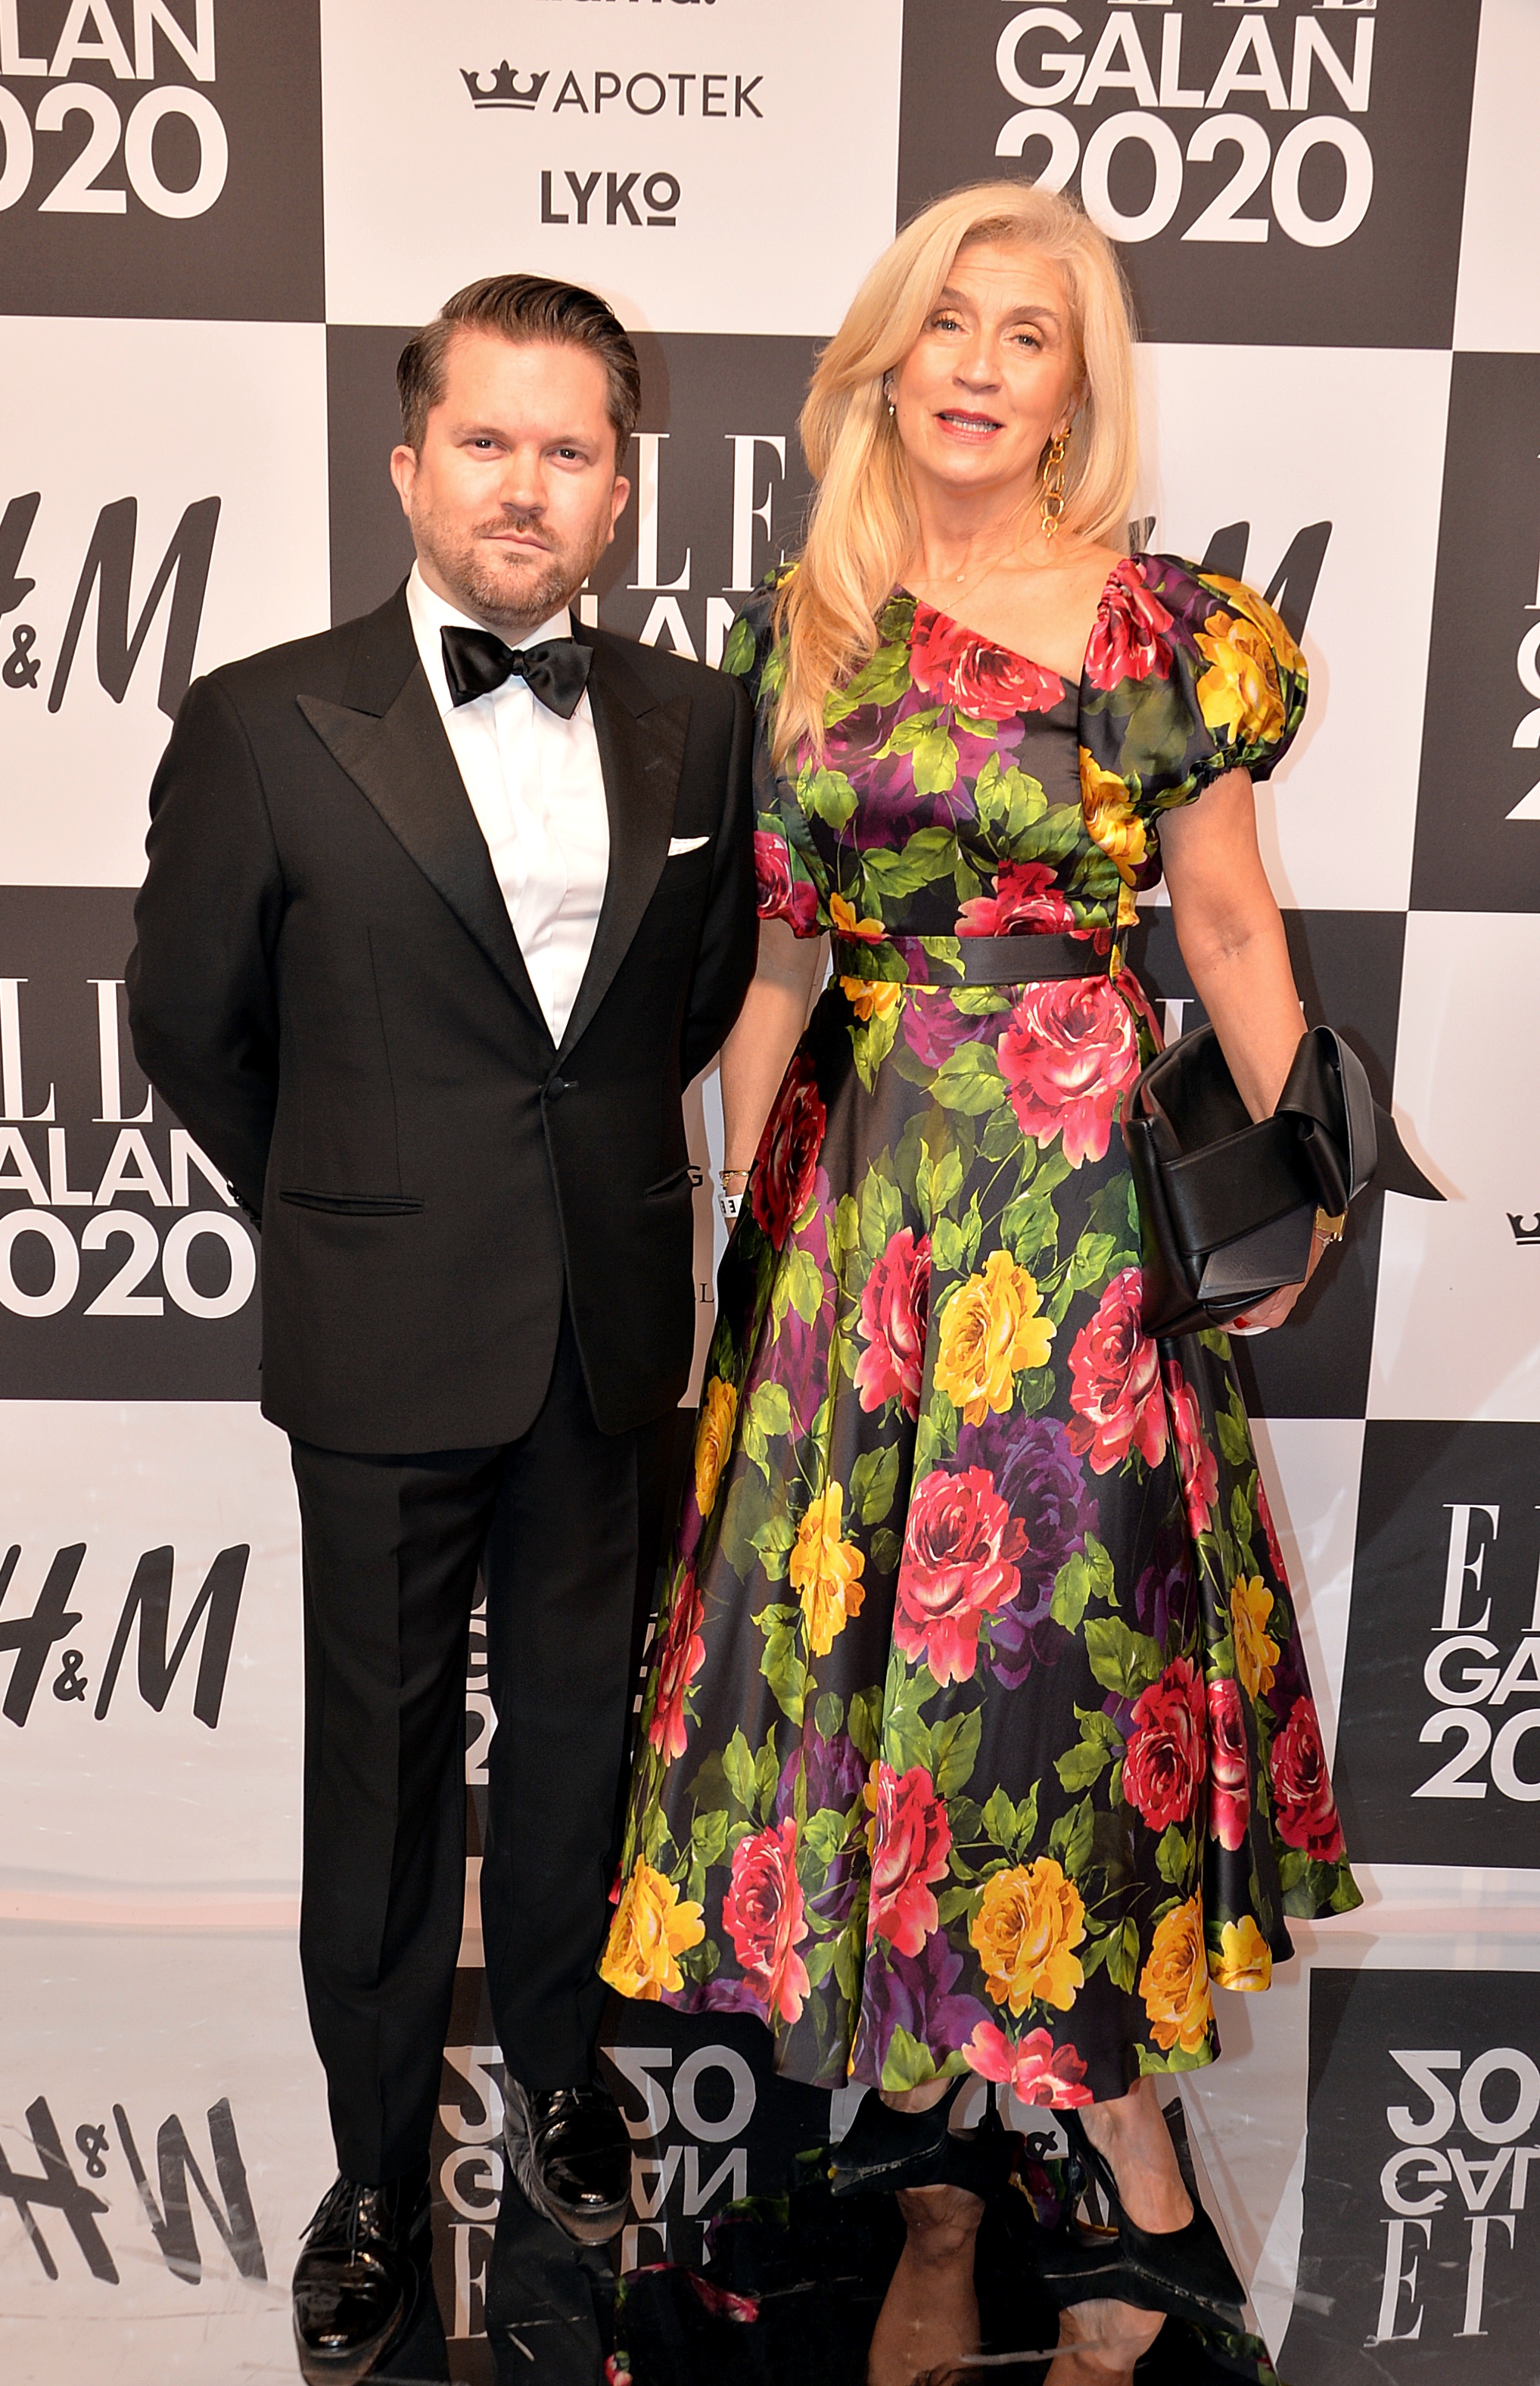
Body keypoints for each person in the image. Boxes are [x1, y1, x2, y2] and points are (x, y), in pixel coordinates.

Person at [601, 182, 1359, 2386]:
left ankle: (1134, 2184)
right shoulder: (808, 628)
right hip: (858, 1215)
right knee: (871, 1684)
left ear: (1073, 392)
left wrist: (1301, 1183)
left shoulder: (1160, 630)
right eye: (949, 322)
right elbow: (777, 958)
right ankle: (940, 2150)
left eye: (1029, 335)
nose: (979, 366)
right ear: (887, 355)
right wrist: (724, 1224)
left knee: (1049, 1677)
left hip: (1073, 1208)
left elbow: (1226, 926)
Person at [127, 274, 756, 2381]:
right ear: (407, 466)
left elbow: (680, 1009)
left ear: (619, 491)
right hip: (384, 1339)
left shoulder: (700, 722)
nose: (524, 484)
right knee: (383, 1781)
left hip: (608, 1333)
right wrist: (351, 1207)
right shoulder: (262, 723)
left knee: (582, 1746)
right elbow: (193, 1028)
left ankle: (568, 2089)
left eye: (569, 449)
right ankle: (377, 2174)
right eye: (486, 440)